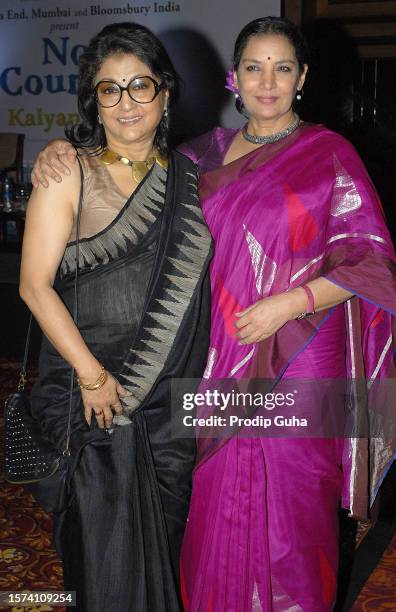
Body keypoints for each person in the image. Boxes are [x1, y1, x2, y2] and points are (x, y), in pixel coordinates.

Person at [32, 16, 396, 612]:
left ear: (302, 77)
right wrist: (60, 149)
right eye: (255, 68)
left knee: (291, 511)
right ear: (235, 78)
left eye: (282, 68)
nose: (268, 82)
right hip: (213, 355)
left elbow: (372, 261)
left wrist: (292, 302)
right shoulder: (197, 156)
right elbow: (118, 167)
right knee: (209, 505)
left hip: (300, 354)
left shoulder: (330, 153)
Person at [20, 22, 212, 612]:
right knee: (105, 568)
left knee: (166, 555)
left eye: (140, 86)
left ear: (166, 94)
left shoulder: (198, 174)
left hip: (171, 405)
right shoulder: (68, 171)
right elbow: (33, 285)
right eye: (110, 90)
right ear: (93, 101)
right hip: (92, 398)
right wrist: (92, 374)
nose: (127, 103)